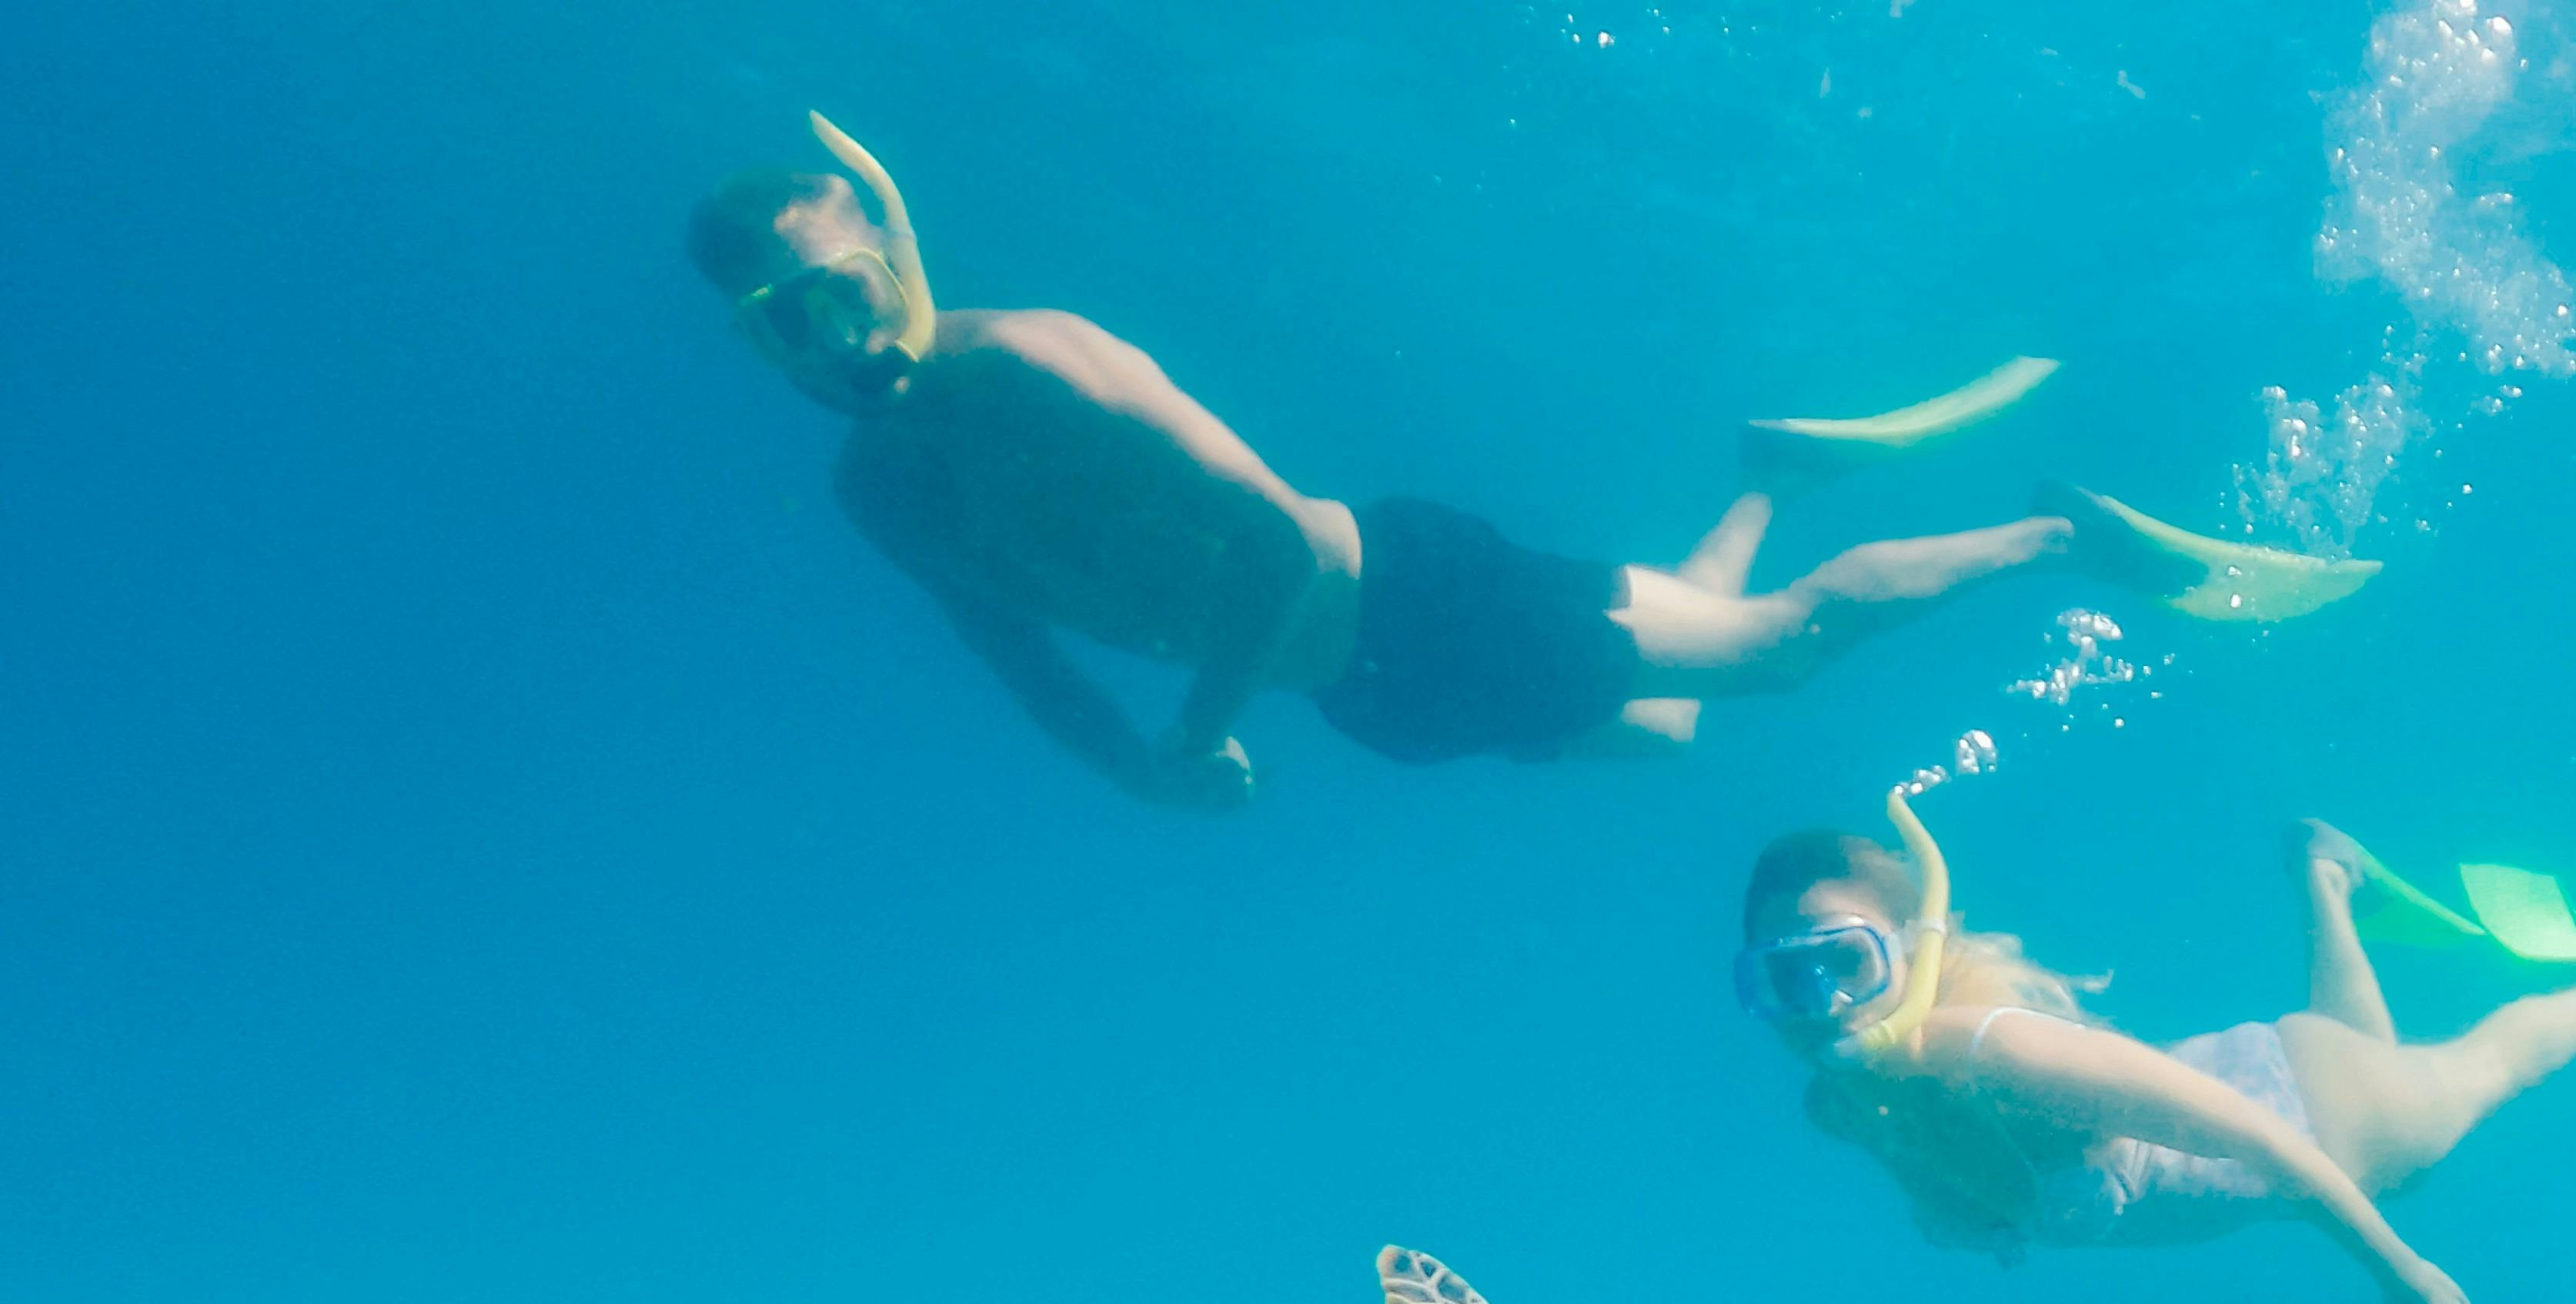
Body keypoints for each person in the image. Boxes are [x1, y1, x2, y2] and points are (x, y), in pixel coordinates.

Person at [683, 115, 2372, 809]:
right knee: (1663, 728)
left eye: (846, 285)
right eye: (787, 319)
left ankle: (2055, 537)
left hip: (1405, 592)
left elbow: (1270, 544)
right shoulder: (874, 492)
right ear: (755, 348)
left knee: (1775, 656)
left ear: (889, 259)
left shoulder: (1038, 360)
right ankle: (1775, 470)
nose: (834, 333)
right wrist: (1133, 768)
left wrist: (1191, 728)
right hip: (1365, 692)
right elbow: (1015, 653)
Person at [1736, 794, 2576, 1304]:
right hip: (2285, 1068)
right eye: (1783, 978)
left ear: (1918, 950)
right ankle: (2325, 876)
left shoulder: (1995, 1052)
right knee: (2360, 1043)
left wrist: (2398, 1276)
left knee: (2483, 1073)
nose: (1820, 1003)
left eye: (1845, 961)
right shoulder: (1845, 1105)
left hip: (2313, 1118)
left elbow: (2265, 1141)